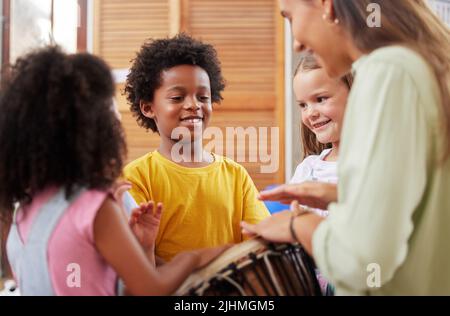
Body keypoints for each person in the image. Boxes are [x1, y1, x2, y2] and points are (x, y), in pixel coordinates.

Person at [242, 0, 450, 295]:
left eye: (291, 18)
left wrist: (297, 226)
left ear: (326, 5)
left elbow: (362, 261)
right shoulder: (415, 64)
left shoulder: (386, 72)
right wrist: (343, 196)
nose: (297, 43)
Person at [0, 46, 226, 296]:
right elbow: (150, 288)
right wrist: (191, 259)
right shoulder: (96, 206)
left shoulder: (25, 213)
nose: (117, 120)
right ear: (92, 129)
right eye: (110, 112)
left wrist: (142, 245)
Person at [123, 33, 270, 262]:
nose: (193, 105)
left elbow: (259, 247)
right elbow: (140, 264)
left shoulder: (236, 175)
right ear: (148, 107)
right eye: (177, 97)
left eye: (203, 97)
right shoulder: (137, 177)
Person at [290, 51, 352, 217]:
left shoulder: (374, 165)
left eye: (321, 99)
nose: (310, 113)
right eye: (303, 105)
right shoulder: (306, 169)